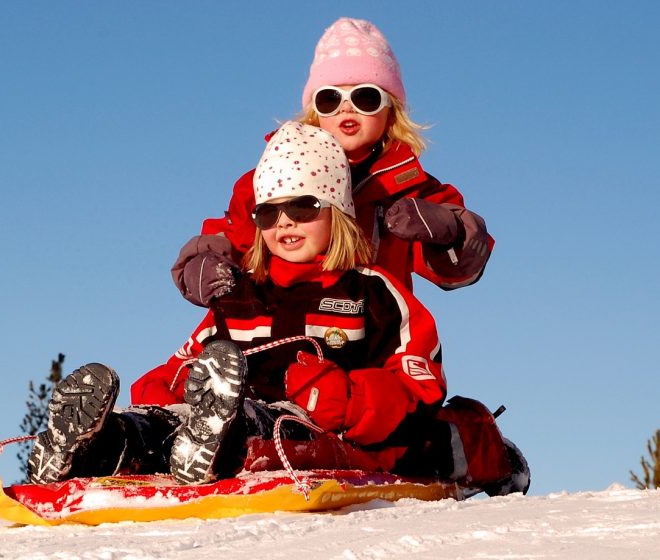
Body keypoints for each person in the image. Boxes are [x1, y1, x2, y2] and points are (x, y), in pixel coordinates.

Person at [28, 123, 528, 496]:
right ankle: (100, 444)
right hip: (220, 416)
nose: (285, 221)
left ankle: (212, 440)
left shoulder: (373, 293)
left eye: (304, 207)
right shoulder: (241, 295)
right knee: (166, 424)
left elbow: (419, 391)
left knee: (263, 429)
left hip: (315, 430)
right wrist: (167, 390)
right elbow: (182, 363)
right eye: (269, 212)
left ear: (337, 213)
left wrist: (347, 398)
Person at [172, 17, 493, 310]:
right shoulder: (274, 178)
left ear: (391, 109)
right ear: (315, 110)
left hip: (375, 333)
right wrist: (204, 263)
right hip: (285, 326)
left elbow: (458, 270)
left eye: (366, 97)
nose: (346, 109)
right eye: (330, 98)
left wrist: (448, 232)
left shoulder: (412, 189)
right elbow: (234, 236)